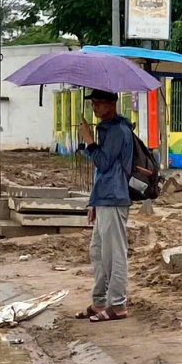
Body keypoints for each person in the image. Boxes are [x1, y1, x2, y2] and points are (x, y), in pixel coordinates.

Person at [74, 89, 135, 322]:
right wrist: (94, 201)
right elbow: (101, 173)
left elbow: (103, 162)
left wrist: (89, 141)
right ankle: (99, 301)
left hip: (115, 197)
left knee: (114, 254)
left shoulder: (118, 131)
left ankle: (117, 305)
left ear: (112, 104)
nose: (95, 108)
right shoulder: (108, 129)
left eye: (99, 103)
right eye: (93, 103)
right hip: (105, 198)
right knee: (98, 251)